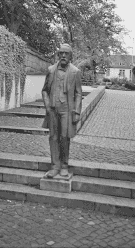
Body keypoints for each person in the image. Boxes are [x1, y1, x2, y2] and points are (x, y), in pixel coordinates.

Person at [42, 43, 82, 178]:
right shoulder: (51, 70)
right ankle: (54, 166)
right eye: (61, 53)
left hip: (67, 109)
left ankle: (64, 165)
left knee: (64, 138)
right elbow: (45, 91)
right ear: (58, 55)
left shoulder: (75, 72)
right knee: (53, 138)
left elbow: (78, 94)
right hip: (53, 109)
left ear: (70, 56)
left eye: (66, 53)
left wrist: (76, 112)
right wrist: (47, 106)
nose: (63, 55)